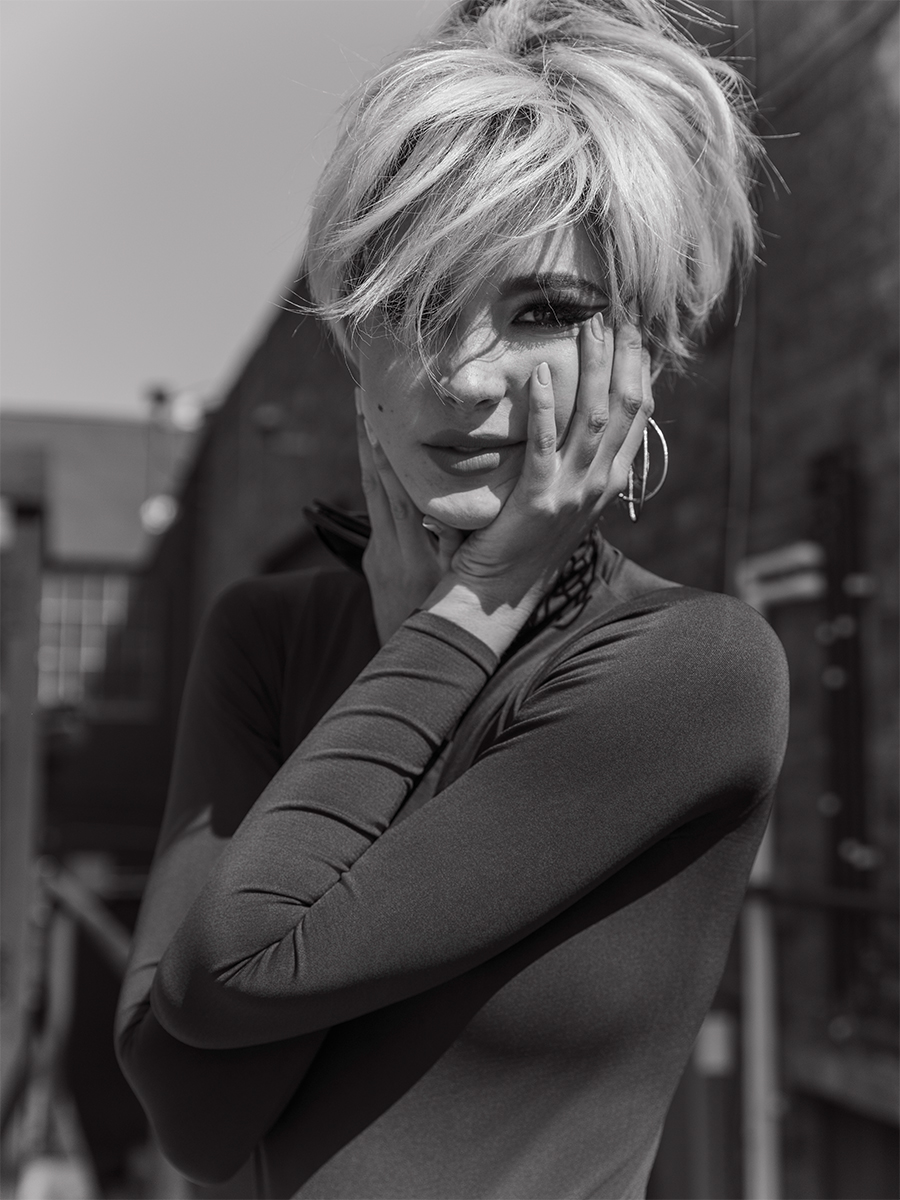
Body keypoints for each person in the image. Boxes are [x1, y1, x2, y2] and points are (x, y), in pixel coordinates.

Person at [115, 1, 789, 1197]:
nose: (464, 376)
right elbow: (190, 1114)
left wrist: (483, 597)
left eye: (541, 312)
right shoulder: (269, 637)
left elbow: (230, 966)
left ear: (645, 352)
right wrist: (422, 639)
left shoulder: (694, 667)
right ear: (353, 354)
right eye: (415, 308)